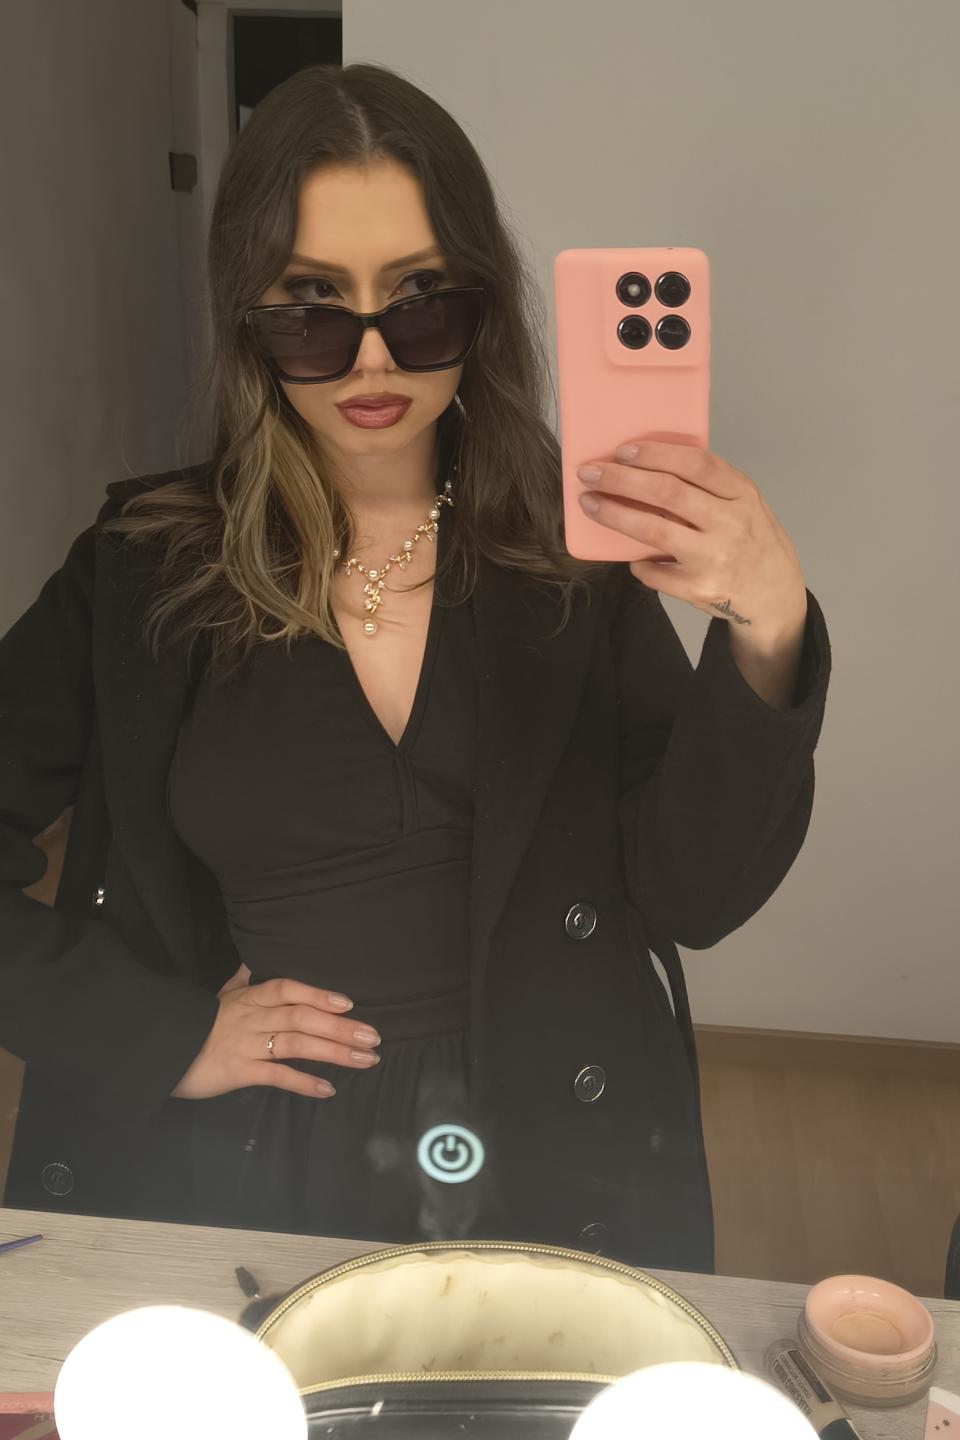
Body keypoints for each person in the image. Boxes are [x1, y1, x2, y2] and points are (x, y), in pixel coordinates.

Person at [0, 62, 831, 1275]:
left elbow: (693, 896)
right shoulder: (142, 570)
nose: (373, 359)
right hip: (242, 1164)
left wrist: (767, 630)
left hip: (549, 1153)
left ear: (480, 307)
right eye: (312, 309)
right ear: (248, 319)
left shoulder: (572, 560)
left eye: (420, 302)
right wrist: (153, 1033)